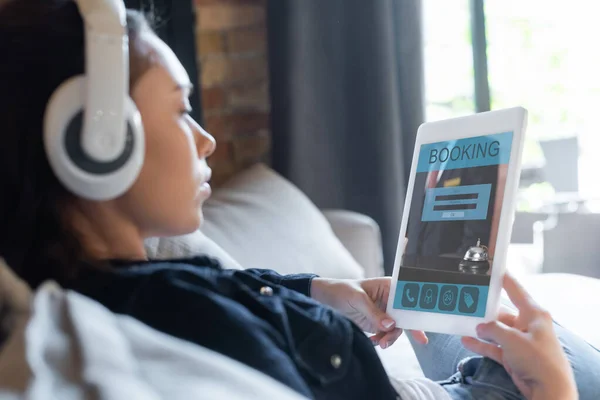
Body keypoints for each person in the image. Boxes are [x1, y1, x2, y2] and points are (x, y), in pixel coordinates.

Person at [0, 1, 598, 399]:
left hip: (406, 372)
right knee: (558, 347)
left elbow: (229, 287)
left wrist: (327, 292)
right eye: (183, 111)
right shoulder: (173, 327)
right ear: (97, 145)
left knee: (485, 313)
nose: (207, 139)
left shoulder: (127, 280)